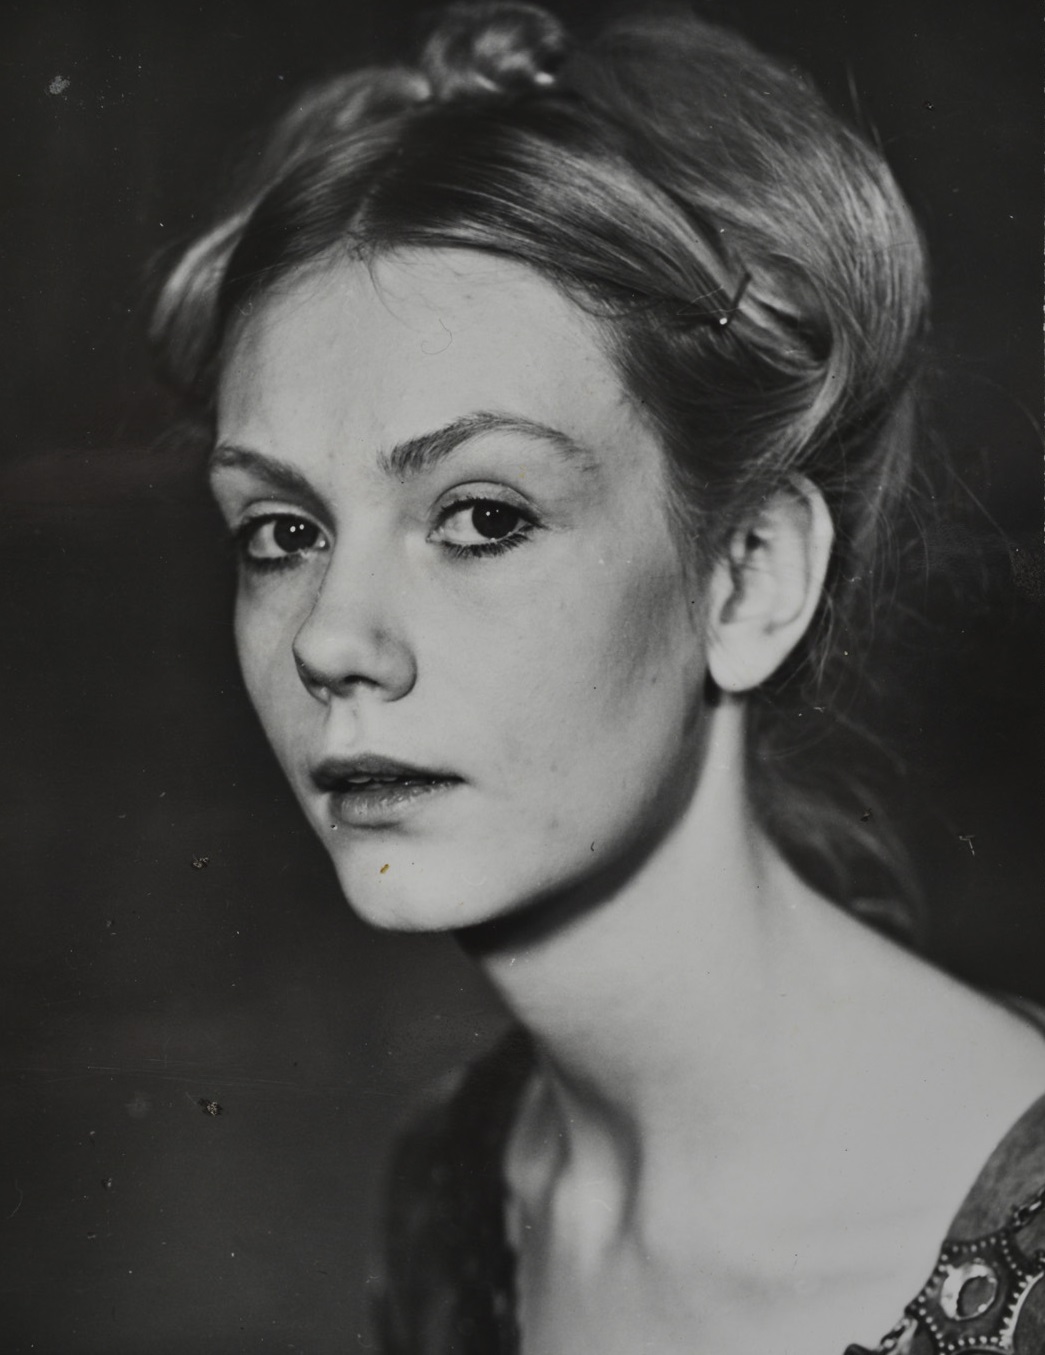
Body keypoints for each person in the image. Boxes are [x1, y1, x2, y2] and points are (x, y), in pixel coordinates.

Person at [150, 3, 1045, 1350]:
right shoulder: (462, 1186)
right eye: (283, 533)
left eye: (483, 516)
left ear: (746, 578)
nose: (330, 639)